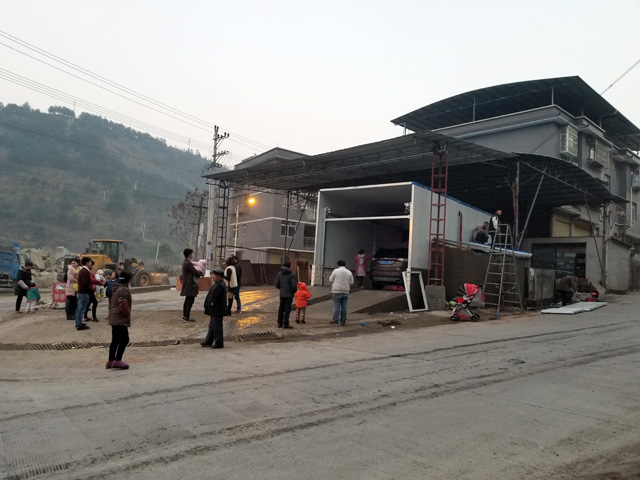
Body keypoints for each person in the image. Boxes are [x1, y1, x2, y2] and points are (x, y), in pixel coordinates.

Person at [106, 270, 133, 369]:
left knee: (115, 340)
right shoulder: (124, 289)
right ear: (128, 280)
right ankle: (118, 360)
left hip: (114, 317)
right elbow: (123, 302)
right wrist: (127, 313)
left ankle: (110, 360)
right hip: (120, 318)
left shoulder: (116, 287)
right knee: (125, 339)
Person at [202, 268, 227, 349]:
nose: (213, 276)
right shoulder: (218, 284)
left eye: (215, 275)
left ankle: (219, 342)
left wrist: (212, 303)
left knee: (217, 327)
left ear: (219, 277)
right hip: (214, 310)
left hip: (217, 310)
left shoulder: (220, 285)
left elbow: (217, 298)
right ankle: (208, 341)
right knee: (212, 326)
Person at [329, 260, 354, 326]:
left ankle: (335, 320)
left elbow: (330, 279)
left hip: (336, 291)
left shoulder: (335, 271)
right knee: (344, 307)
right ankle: (343, 321)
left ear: (338, 265)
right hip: (345, 291)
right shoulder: (349, 272)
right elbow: (352, 282)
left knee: (337, 306)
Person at [275, 260, 297, 329]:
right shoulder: (292, 275)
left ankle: (279, 323)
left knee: (281, 308)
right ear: (290, 266)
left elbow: (276, 284)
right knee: (287, 309)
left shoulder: (279, 274)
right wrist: (293, 291)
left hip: (282, 294)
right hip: (289, 294)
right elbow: (294, 286)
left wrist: (282, 289)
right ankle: (286, 323)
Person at [180, 248, 200, 323]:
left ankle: (185, 315)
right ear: (189, 254)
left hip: (188, 283)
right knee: (190, 300)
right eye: (191, 254)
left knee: (188, 300)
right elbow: (195, 272)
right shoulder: (188, 263)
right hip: (190, 284)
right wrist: (200, 273)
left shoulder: (185, 262)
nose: (192, 255)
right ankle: (187, 316)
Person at [75, 257, 94, 330]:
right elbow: (84, 283)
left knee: (79, 308)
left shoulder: (82, 270)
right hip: (84, 293)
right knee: (81, 309)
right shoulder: (85, 271)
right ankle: (79, 324)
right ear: (87, 263)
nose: (91, 264)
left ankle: (78, 322)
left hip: (80, 292)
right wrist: (90, 289)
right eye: (90, 262)